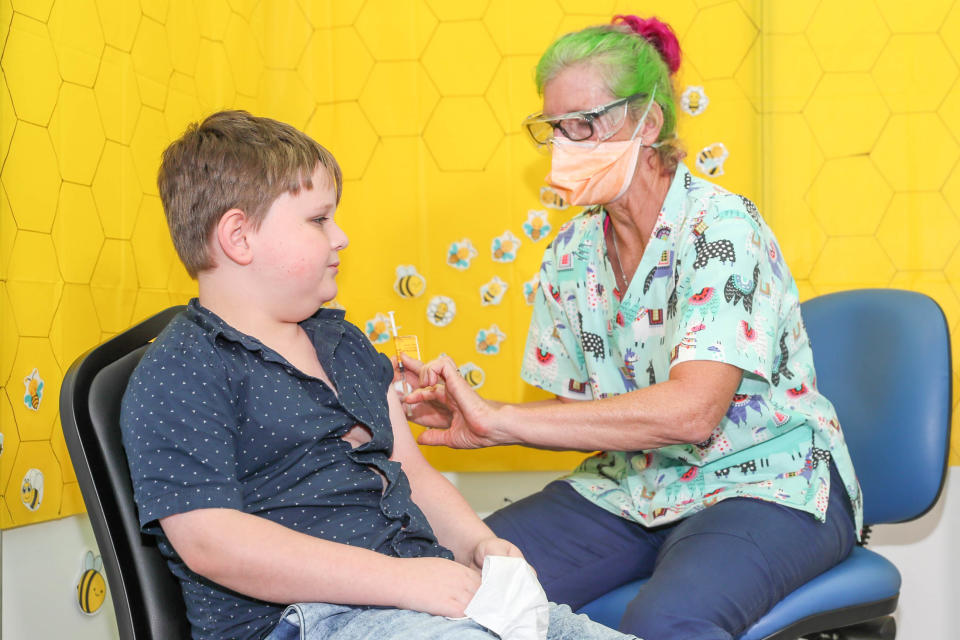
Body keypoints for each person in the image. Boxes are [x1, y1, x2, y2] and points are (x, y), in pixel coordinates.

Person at [400, 15, 863, 640]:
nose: (566, 143)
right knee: (441, 579)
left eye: (586, 123)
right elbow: (577, 416)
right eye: (554, 127)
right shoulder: (568, 255)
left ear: (647, 124)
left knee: (670, 622)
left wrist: (500, 418)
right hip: (632, 488)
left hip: (770, 481)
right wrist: (468, 418)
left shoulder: (720, 227)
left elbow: (695, 413)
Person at [119, 110, 638, 640]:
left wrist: (478, 545)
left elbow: (409, 471)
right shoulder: (181, 372)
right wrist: (405, 581)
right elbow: (212, 542)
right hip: (304, 618)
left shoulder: (345, 344)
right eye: (319, 220)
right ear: (239, 237)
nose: (341, 237)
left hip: (415, 597)